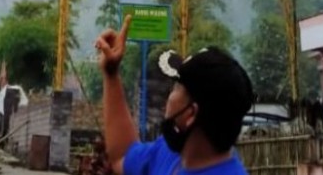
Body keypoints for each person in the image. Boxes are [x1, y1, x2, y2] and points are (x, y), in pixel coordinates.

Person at [95, 15, 254, 175]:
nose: (169, 97)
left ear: (191, 113)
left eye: (177, 87)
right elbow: (123, 155)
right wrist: (111, 73)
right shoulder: (170, 153)